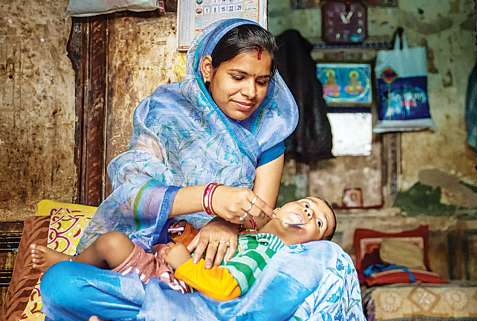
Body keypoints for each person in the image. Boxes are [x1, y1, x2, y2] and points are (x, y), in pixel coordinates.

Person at [70, 18, 298, 272]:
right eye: (238, 77)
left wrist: (226, 224)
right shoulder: (165, 114)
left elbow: (261, 212)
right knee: (65, 284)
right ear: (208, 68)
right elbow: (133, 196)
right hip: (148, 250)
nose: (250, 92)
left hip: (217, 257)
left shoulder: (268, 130)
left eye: (262, 81)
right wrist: (211, 197)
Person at [32, 196, 336, 302]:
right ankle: (72, 260)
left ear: (309, 247)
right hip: (159, 268)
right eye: (307, 205)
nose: (310, 213)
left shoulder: (268, 251)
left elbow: (225, 288)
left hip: (170, 292)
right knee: (112, 241)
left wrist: (183, 264)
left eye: (319, 223)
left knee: (69, 286)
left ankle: (76, 276)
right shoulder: (246, 230)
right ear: (283, 206)